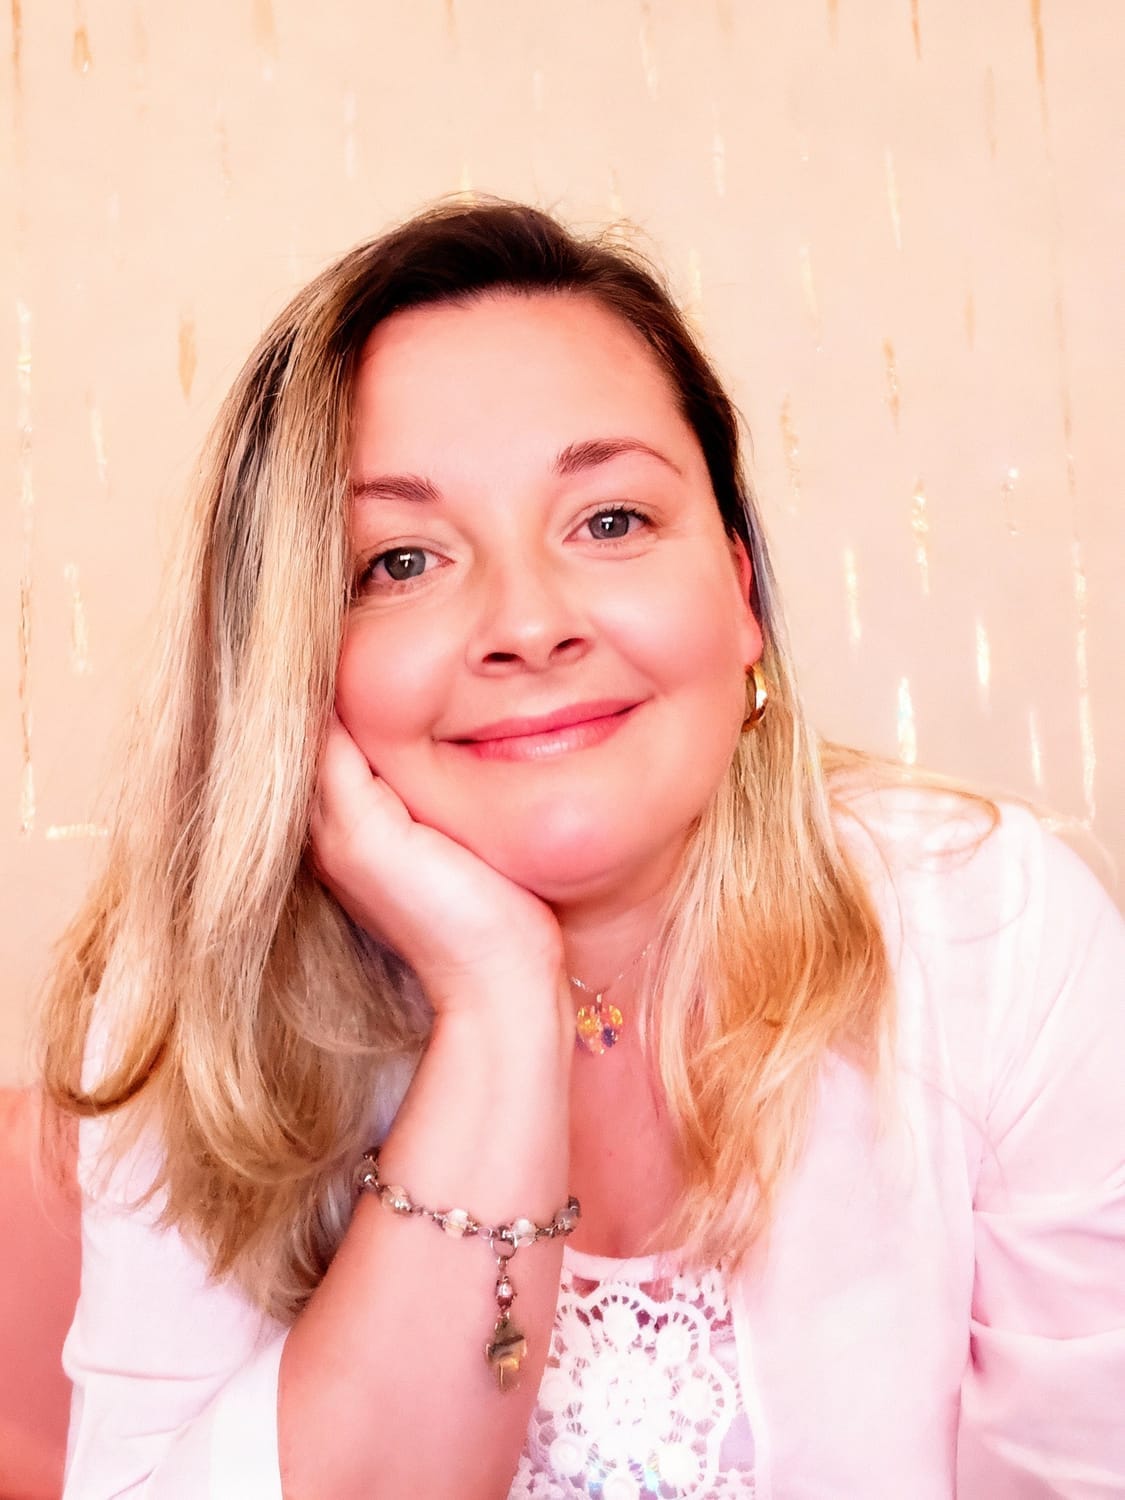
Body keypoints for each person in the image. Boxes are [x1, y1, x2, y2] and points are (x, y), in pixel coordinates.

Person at [40, 197, 1125, 1500]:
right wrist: (500, 999)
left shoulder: (990, 925)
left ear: (740, 592)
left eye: (609, 521)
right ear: (294, 664)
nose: (529, 623)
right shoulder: (197, 1004)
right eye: (399, 560)